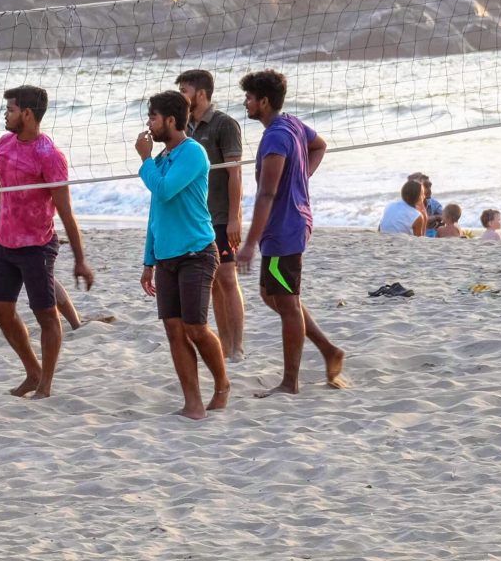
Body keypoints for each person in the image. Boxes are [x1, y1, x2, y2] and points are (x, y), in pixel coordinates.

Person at [0, 86, 96, 399]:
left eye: (12, 109)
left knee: (46, 315)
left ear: (27, 114)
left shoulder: (49, 155)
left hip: (37, 245)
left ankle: (45, 385)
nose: (6, 114)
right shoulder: (4, 144)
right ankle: (33, 372)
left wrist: (80, 259)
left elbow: (66, 212)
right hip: (6, 244)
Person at [234, 70, 347, 395]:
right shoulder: (292, 124)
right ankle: (328, 349)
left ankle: (290, 382)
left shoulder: (275, 138)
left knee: (286, 302)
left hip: (283, 229)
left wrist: (249, 244)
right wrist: (301, 178)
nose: (246, 103)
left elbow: (267, 194)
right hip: (293, 221)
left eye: (250, 98)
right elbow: (319, 146)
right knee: (274, 296)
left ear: (264, 102)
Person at [137, 90, 228, 419]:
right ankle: (193, 401)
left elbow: (164, 188)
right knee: (173, 329)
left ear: (171, 121)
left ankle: (222, 385)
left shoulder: (193, 153)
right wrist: (148, 260)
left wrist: (144, 159)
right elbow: (155, 213)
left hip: (197, 252)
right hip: (166, 257)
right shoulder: (161, 161)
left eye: (153, 118)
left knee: (196, 328)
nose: (149, 124)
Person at [177, 69, 245, 362]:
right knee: (214, 280)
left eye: (185, 91)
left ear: (201, 94)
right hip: (196, 218)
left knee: (228, 277)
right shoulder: (184, 127)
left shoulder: (224, 124)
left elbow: (235, 173)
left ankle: (237, 347)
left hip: (219, 215)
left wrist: (234, 217)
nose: (181, 97)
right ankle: (226, 344)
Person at [411, 172, 443, 238]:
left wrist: (440, 220)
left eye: (430, 186)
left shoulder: (434, 203)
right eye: (425, 186)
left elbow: (448, 216)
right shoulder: (410, 204)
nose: (429, 190)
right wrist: (436, 217)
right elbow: (416, 221)